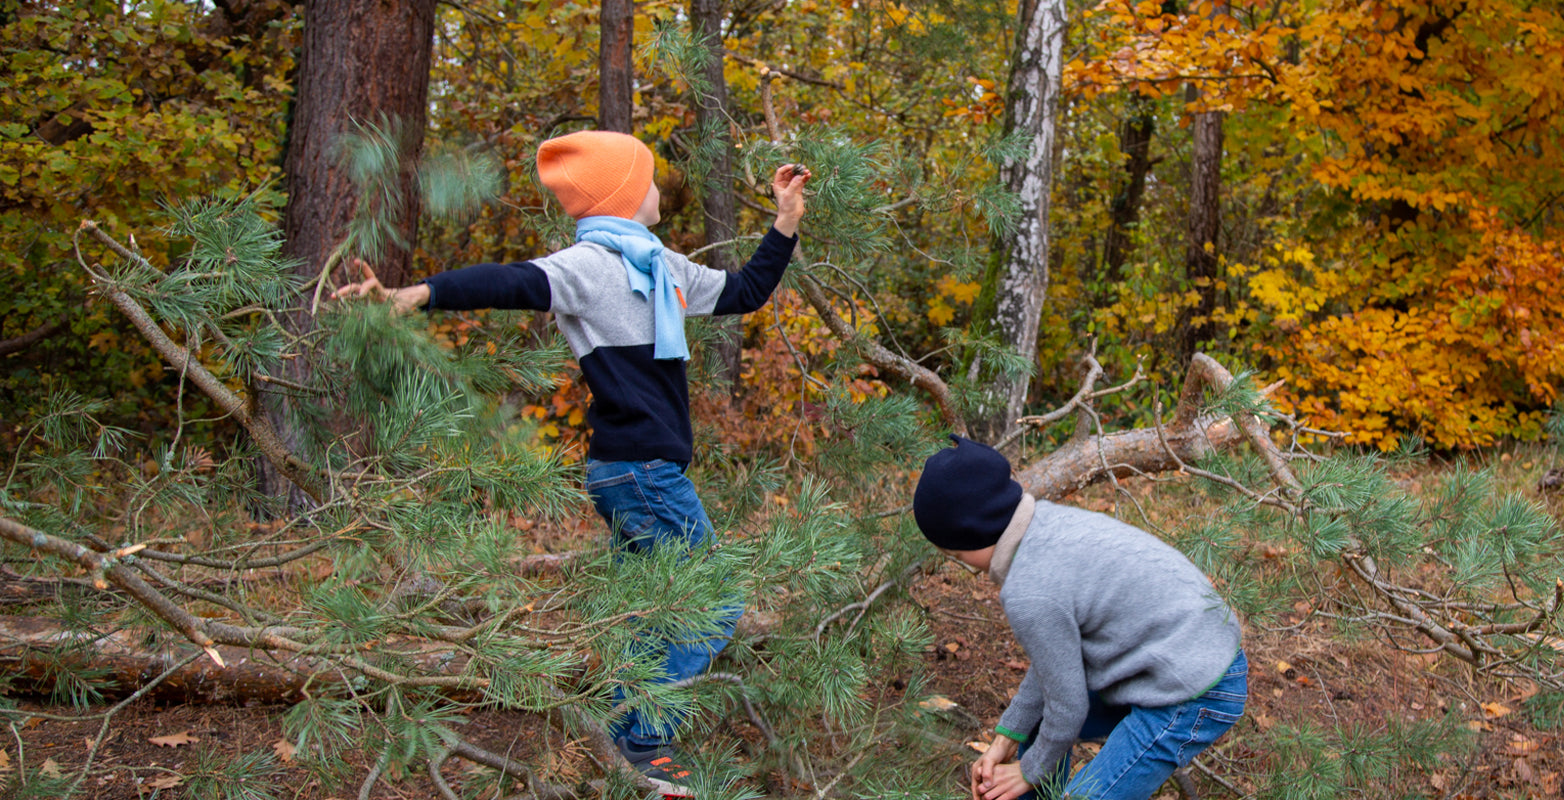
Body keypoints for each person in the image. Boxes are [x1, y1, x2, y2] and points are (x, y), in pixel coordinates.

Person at [333, 130, 808, 796]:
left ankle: (621, 740)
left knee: (646, 608)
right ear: (620, 195)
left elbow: (744, 291)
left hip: (632, 470)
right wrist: (418, 294)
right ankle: (644, 738)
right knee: (715, 600)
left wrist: (785, 219)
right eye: (646, 179)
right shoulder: (591, 265)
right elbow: (511, 281)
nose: (657, 188)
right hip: (641, 471)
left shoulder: (660, 266)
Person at [911, 435, 1248, 800]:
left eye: (956, 555)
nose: (962, 564)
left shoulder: (1030, 590)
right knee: (1038, 724)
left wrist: (1030, 770)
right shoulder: (1047, 523)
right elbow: (1055, 666)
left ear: (969, 536)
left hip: (1195, 691)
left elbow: (1068, 706)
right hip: (1181, 654)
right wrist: (1007, 737)